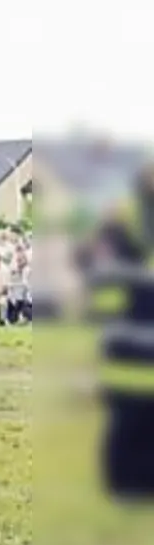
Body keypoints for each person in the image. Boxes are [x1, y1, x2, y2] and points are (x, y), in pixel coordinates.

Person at [87, 164, 154, 499]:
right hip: (128, 338)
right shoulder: (121, 220)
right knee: (128, 417)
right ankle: (125, 486)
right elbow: (103, 282)